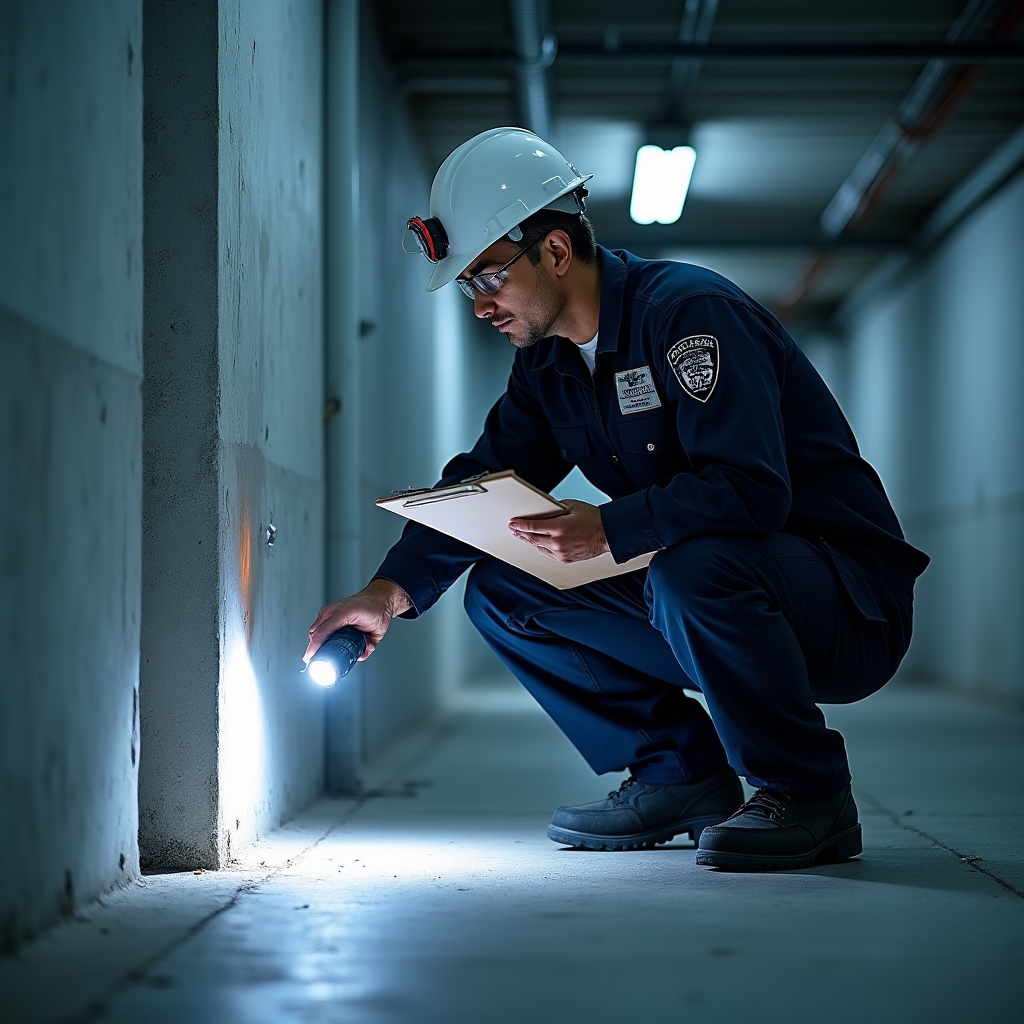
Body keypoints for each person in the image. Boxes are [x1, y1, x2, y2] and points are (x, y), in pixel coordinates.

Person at [304, 128, 929, 871]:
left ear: (555, 252)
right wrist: (388, 592)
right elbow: (483, 476)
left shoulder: (689, 315)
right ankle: (679, 773)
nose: (480, 306)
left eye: (488, 277)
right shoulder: (549, 365)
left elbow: (753, 489)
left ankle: (808, 791)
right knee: (505, 591)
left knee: (694, 569)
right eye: (469, 286)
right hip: (717, 593)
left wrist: (607, 526)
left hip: (845, 601)